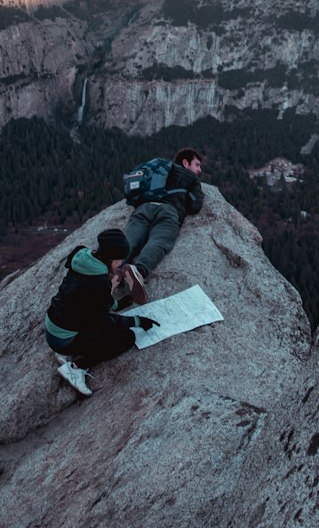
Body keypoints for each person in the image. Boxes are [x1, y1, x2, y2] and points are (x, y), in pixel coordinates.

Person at [44, 227, 158, 396]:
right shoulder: (98, 283)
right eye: (119, 260)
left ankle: (65, 350)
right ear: (110, 258)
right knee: (126, 338)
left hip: (54, 323)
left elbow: (89, 299)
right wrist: (137, 321)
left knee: (90, 317)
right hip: (64, 339)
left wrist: (115, 305)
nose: (120, 264)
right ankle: (76, 368)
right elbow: (102, 320)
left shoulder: (81, 254)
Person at [119, 147, 203, 304]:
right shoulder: (190, 177)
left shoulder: (159, 170)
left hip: (143, 208)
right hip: (168, 212)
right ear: (185, 162)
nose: (199, 170)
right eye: (197, 165)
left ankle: (115, 268)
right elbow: (195, 206)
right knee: (159, 241)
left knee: (130, 239)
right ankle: (138, 271)